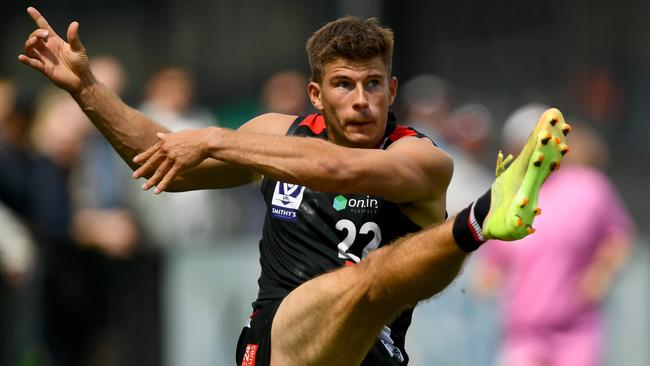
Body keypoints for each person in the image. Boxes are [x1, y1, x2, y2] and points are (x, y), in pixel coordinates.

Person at [19, 8, 570, 365]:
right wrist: (87, 89)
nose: (362, 101)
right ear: (314, 93)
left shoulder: (421, 158)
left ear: (392, 86)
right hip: (279, 342)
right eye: (344, 85)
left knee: (369, 282)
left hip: (370, 351)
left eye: (374, 84)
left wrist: (215, 139)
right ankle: (477, 222)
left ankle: (476, 220)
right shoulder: (272, 137)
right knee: (362, 279)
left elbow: (341, 170)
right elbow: (162, 158)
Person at [475, 104, 634, 366]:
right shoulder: (505, 196)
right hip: (522, 333)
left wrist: (601, 274)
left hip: (576, 330)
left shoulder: (588, 187)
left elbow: (618, 238)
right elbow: (492, 266)